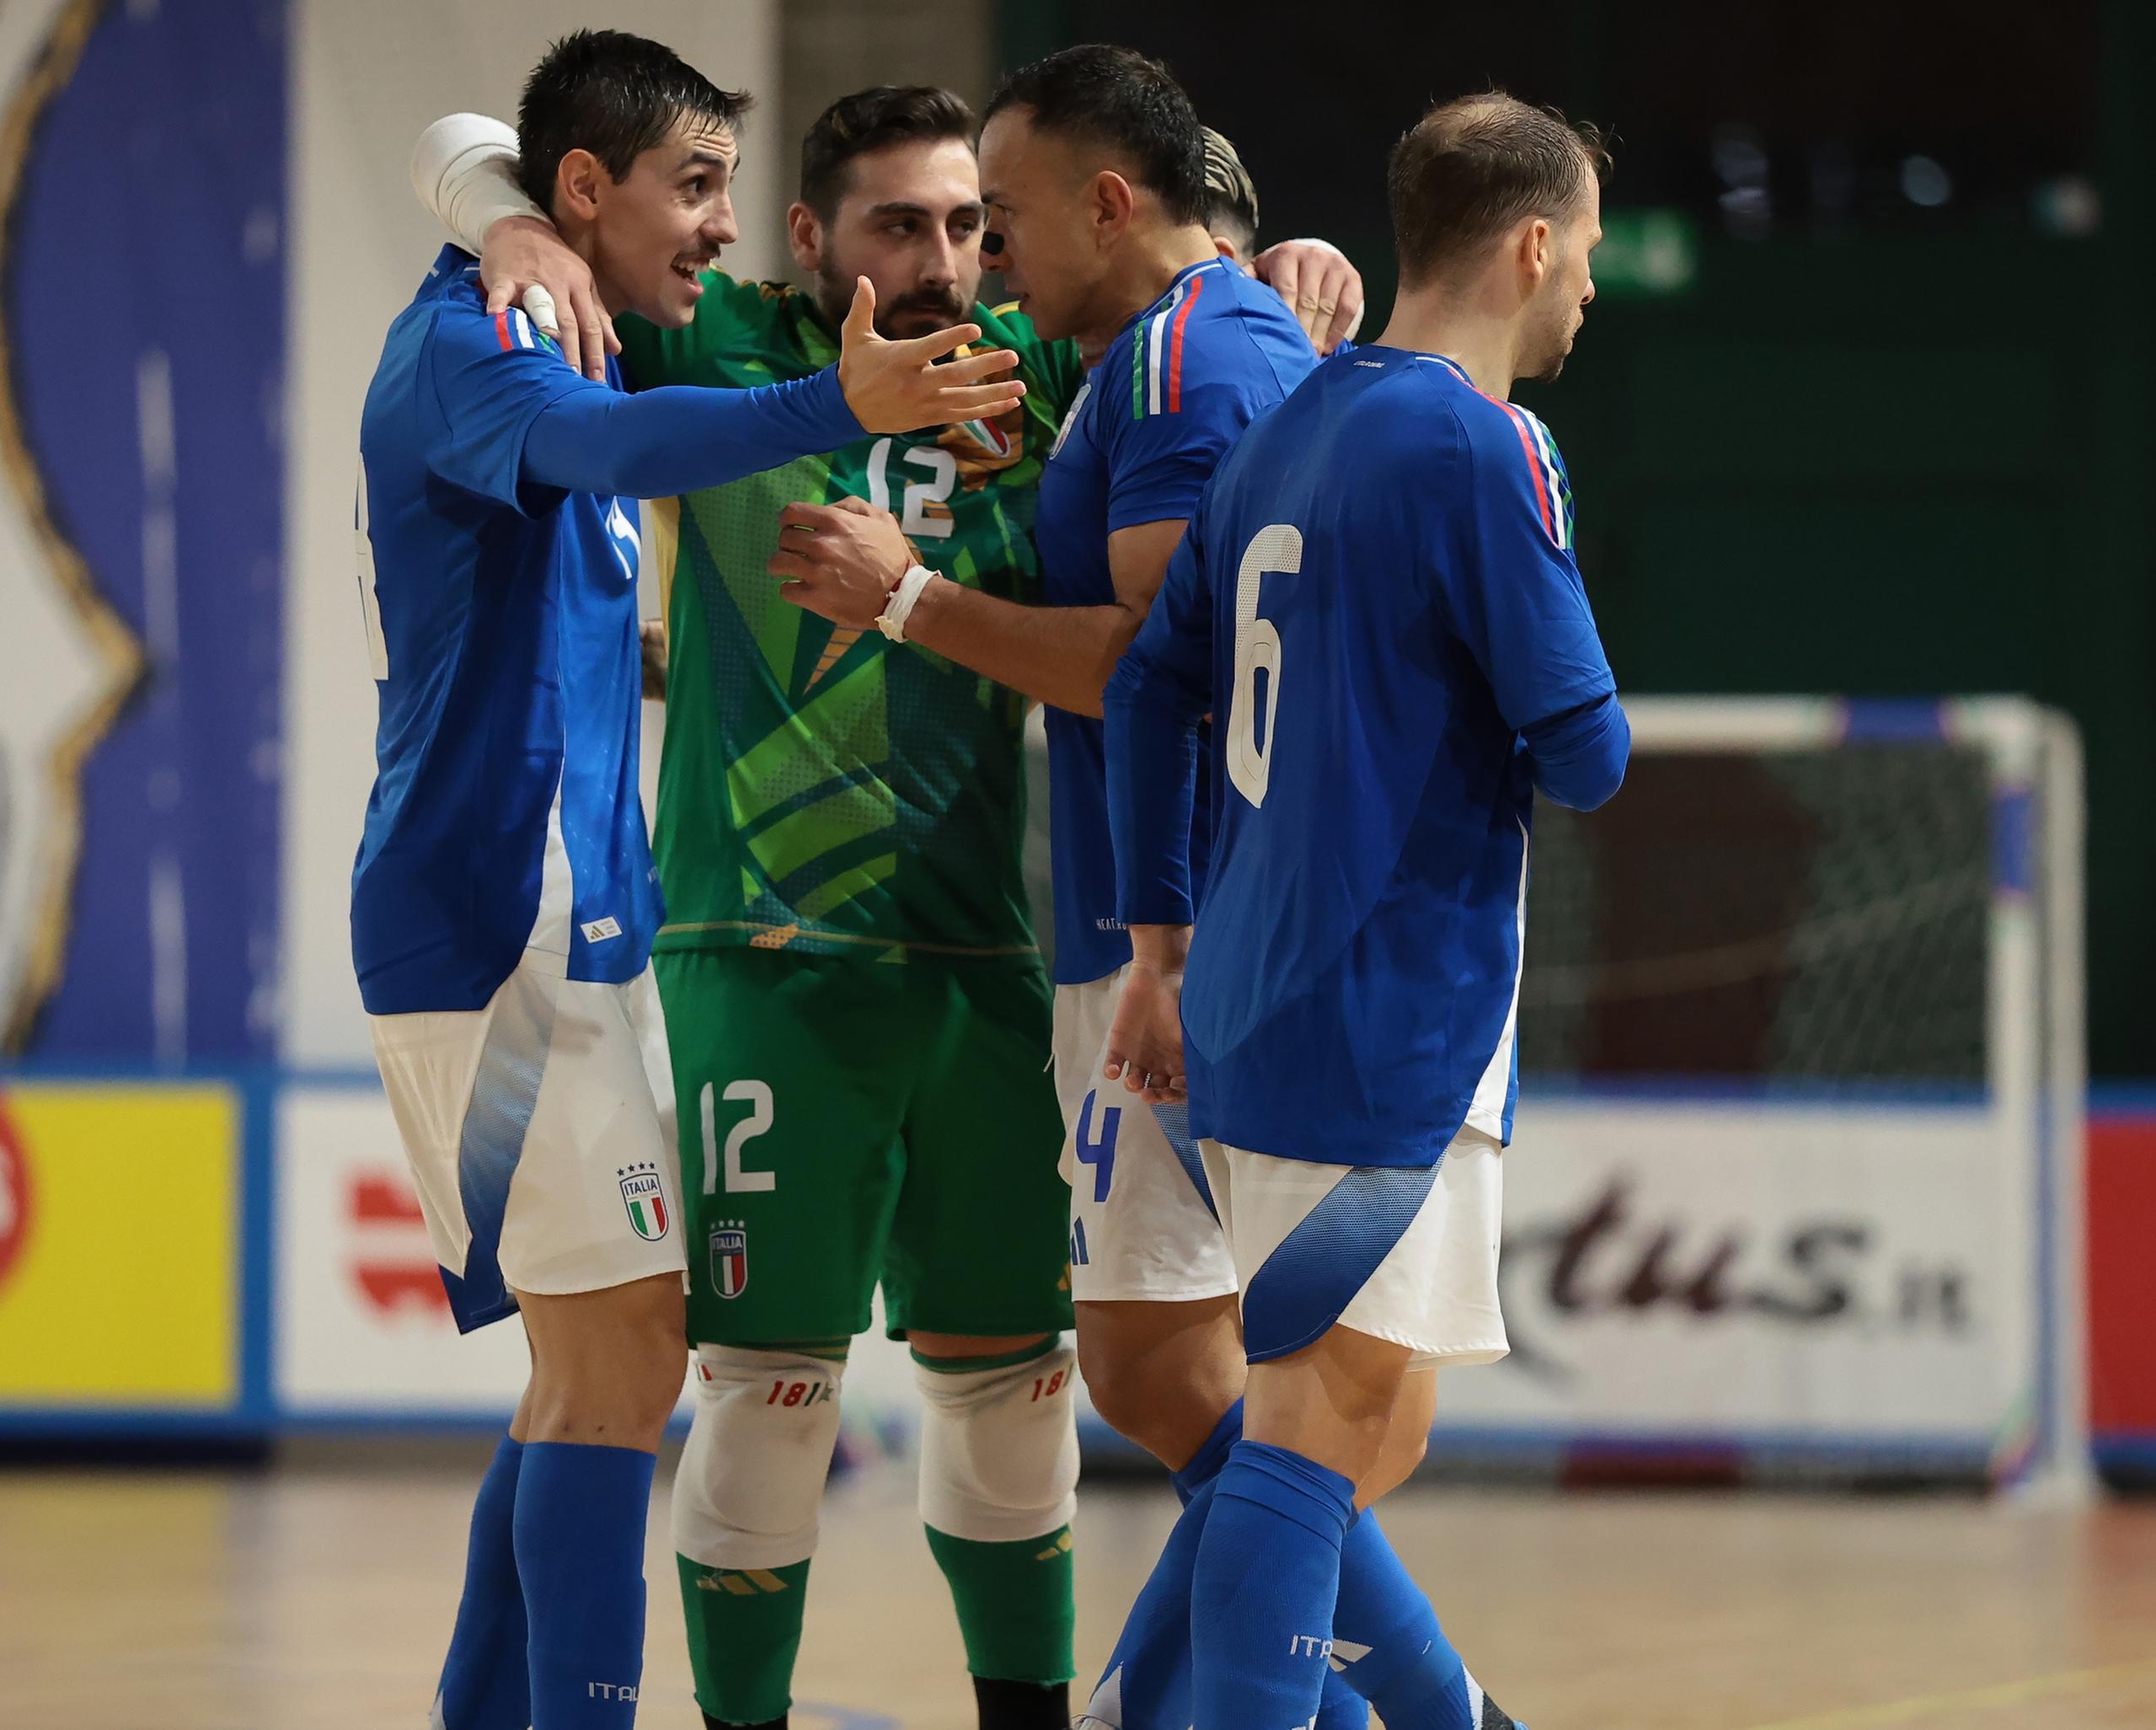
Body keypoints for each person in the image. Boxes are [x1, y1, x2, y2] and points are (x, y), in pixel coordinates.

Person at [403, 81, 1367, 1730]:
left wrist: (1297, 249)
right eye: (900, 224)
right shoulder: (715, 344)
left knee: (1020, 1400)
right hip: (763, 965)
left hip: (985, 972)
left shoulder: (1033, 370)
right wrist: (498, 211)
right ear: (805, 238)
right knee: (766, 1406)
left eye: (970, 224)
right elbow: (472, 138)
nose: (945, 258)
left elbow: (1177, 295)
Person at [768, 43, 1509, 1730]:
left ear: (1111, 202)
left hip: (1201, 936)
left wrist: (911, 605)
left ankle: (1379, 1711)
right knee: (1174, 1375)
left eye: (1007, 217)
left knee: (1296, 1409)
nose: (989, 262)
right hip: (1144, 925)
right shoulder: (1147, 350)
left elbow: (1163, 657)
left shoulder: (1197, 351)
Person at [352, 32, 1022, 1730]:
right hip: (492, 923)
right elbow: (630, 453)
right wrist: (834, 408)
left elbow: (475, 144)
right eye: (700, 185)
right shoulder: (478, 339)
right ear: (585, 193)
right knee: (624, 1361)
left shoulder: (545, 304)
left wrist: (496, 201)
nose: (720, 228)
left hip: (576, 928)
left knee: (592, 1365)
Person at [1096, 92, 1627, 1727]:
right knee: (1320, 1439)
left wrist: (1161, 947)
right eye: (1589, 253)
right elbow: (1587, 750)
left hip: (1253, 996)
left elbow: (1144, 697)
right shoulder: (1483, 441)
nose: (1590, 292)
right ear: (1531, 243)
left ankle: (1141, 1705)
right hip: (1383, 1001)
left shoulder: (1284, 426)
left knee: (1341, 1431)